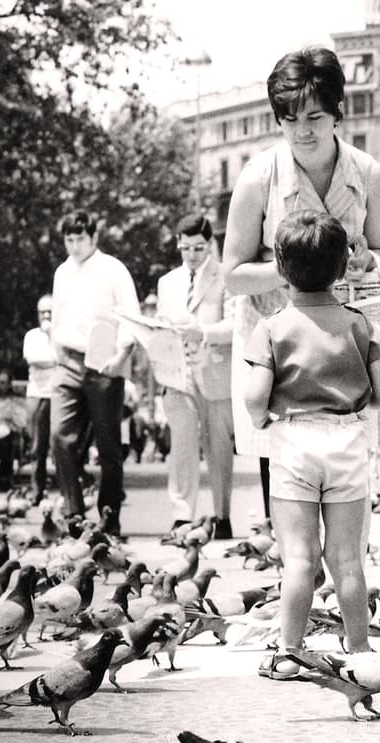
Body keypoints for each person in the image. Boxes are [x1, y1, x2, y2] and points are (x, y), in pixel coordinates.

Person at [221, 45, 380, 519]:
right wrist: (304, 265)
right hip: (278, 345)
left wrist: (364, 260)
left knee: (349, 461)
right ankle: (290, 575)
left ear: (339, 112)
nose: (303, 130)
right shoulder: (257, 178)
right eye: (290, 119)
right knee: (281, 465)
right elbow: (232, 276)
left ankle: (345, 569)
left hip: (346, 344)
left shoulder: (369, 174)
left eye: (315, 116)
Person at [244, 210, 380, 679]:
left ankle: (289, 651)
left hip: (293, 442)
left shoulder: (271, 327)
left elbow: (254, 398)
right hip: (348, 440)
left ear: (280, 267)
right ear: (341, 267)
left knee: (299, 557)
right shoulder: (359, 324)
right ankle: (360, 647)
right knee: (347, 558)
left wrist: (262, 417)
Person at [49, 211, 140, 537]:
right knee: (60, 436)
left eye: (80, 239)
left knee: (108, 447)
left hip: (104, 362)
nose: (74, 246)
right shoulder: (62, 272)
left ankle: (109, 516)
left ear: (93, 238)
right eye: (68, 240)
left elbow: (131, 314)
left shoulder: (113, 269)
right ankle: (74, 514)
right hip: (69, 361)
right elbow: (58, 315)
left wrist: (122, 356)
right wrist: (56, 346)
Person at [156, 214, 235, 540]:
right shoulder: (167, 282)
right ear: (177, 244)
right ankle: (181, 515)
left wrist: (201, 332)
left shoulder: (226, 277)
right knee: (182, 447)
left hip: (214, 372)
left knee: (218, 447)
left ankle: (222, 515)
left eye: (199, 248)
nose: (192, 254)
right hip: (177, 374)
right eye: (186, 248)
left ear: (210, 244)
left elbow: (234, 326)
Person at [22, 293, 57, 502]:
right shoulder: (31, 336)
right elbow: (33, 359)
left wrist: (53, 338)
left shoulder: (62, 334)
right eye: (42, 311)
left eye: (50, 311)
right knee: (37, 447)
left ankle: (66, 494)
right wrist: (54, 360)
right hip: (37, 393)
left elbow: (63, 358)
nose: (45, 315)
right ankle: (37, 491)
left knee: (61, 445)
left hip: (58, 394)